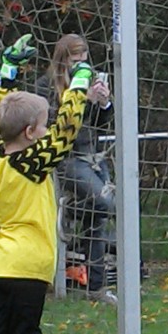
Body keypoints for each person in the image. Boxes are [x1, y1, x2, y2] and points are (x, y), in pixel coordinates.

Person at [0, 35, 96, 334]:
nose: (48, 130)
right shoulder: (30, 161)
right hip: (26, 268)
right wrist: (79, 82)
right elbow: (66, 132)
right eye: (42, 126)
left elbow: (0, 118)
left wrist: (9, 71)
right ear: (31, 133)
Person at [35, 34, 116, 305]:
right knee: (103, 203)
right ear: (63, 59)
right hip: (67, 158)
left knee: (99, 219)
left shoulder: (91, 78)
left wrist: (103, 102)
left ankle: (96, 288)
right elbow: (48, 124)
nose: (81, 64)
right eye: (75, 59)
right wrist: (82, 99)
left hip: (93, 154)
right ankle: (67, 211)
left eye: (84, 59)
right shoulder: (46, 86)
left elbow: (100, 123)